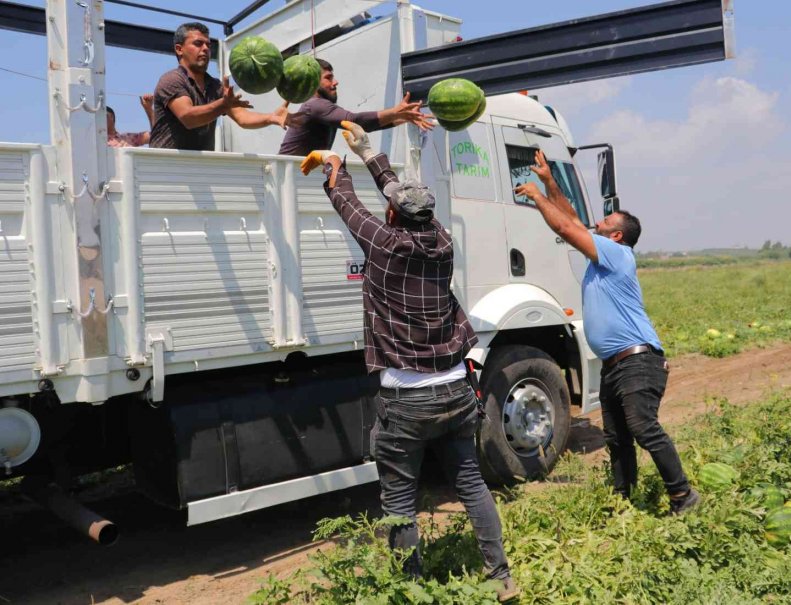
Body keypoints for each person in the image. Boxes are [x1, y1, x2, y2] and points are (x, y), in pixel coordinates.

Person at [299, 122, 519, 602]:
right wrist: (369, 153)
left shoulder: (384, 244)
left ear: (393, 216)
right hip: (457, 391)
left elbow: (346, 203)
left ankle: (411, 589)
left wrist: (337, 164)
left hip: (406, 398)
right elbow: (399, 200)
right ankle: (500, 577)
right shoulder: (442, 242)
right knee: (470, 483)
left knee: (399, 499)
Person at [515, 151, 700, 516]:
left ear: (616, 235)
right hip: (616, 364)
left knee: (644, 428)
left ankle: (683, 495)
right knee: (617, 438)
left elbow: (567, 228)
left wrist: (536, 196)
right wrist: (551, 181)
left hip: (638, 360)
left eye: (605, 222)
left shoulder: (616, 254)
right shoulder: (605, 252)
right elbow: (572, 220)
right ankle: (623, 500)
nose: (596, 223)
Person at [150, 22, 288, 151]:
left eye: (208, 45)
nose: (205, 49)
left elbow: (242, 117)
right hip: (164, 166)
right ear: (179, 49)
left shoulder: (215, 86)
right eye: (198, 44)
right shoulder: (172, 80)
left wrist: (271, 117)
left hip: (198, 168)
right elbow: (188, 117)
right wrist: (223, 104)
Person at [278, 58, 432, 157]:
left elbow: (362, 126)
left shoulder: (318, 106)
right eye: (328, 78)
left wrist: (402, 117)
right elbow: (355, 121)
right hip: (287, 177)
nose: (335, 82)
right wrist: (395, 112)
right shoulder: (315, 105)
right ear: (313, 82)